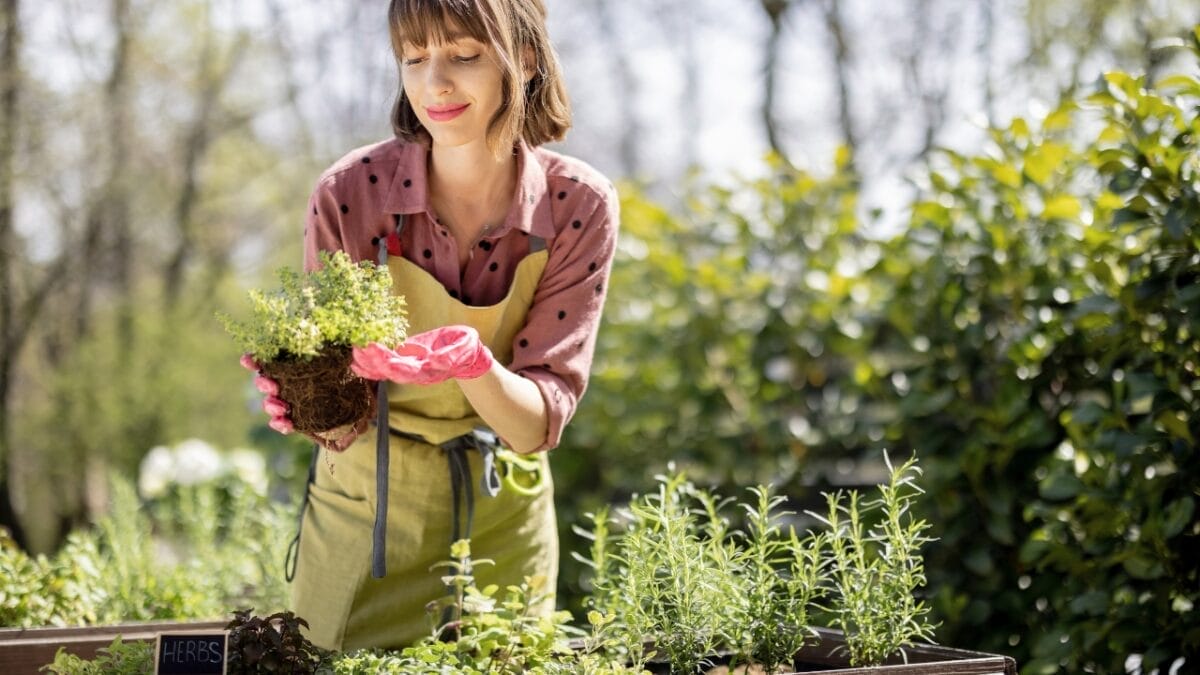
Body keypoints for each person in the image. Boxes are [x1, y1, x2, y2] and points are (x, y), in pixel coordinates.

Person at [241, 0, 618, 651]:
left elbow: (534, 424)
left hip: (503, 512)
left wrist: (472, 363)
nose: (434, 83)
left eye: (464, 55)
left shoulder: (576, 206)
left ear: (524, 59)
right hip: (368, 510)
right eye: (414, 58)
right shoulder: (350, 195)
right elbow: (337, 411)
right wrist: (306, 395)